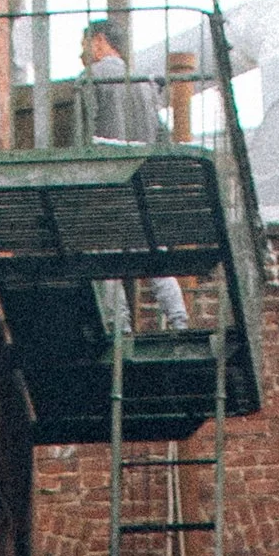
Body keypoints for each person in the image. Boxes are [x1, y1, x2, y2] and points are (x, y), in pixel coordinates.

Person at [78, 20, 191, 332]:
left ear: (99, 41)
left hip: (108, 182)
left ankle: (121, 326)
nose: (81, 53)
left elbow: (83, 136)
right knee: (154, 257)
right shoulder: (144, 83)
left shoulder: (90, 79)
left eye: (84, 44)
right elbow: (161, 135)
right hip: (142, 181)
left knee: (106, 254)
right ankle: (179, 319)